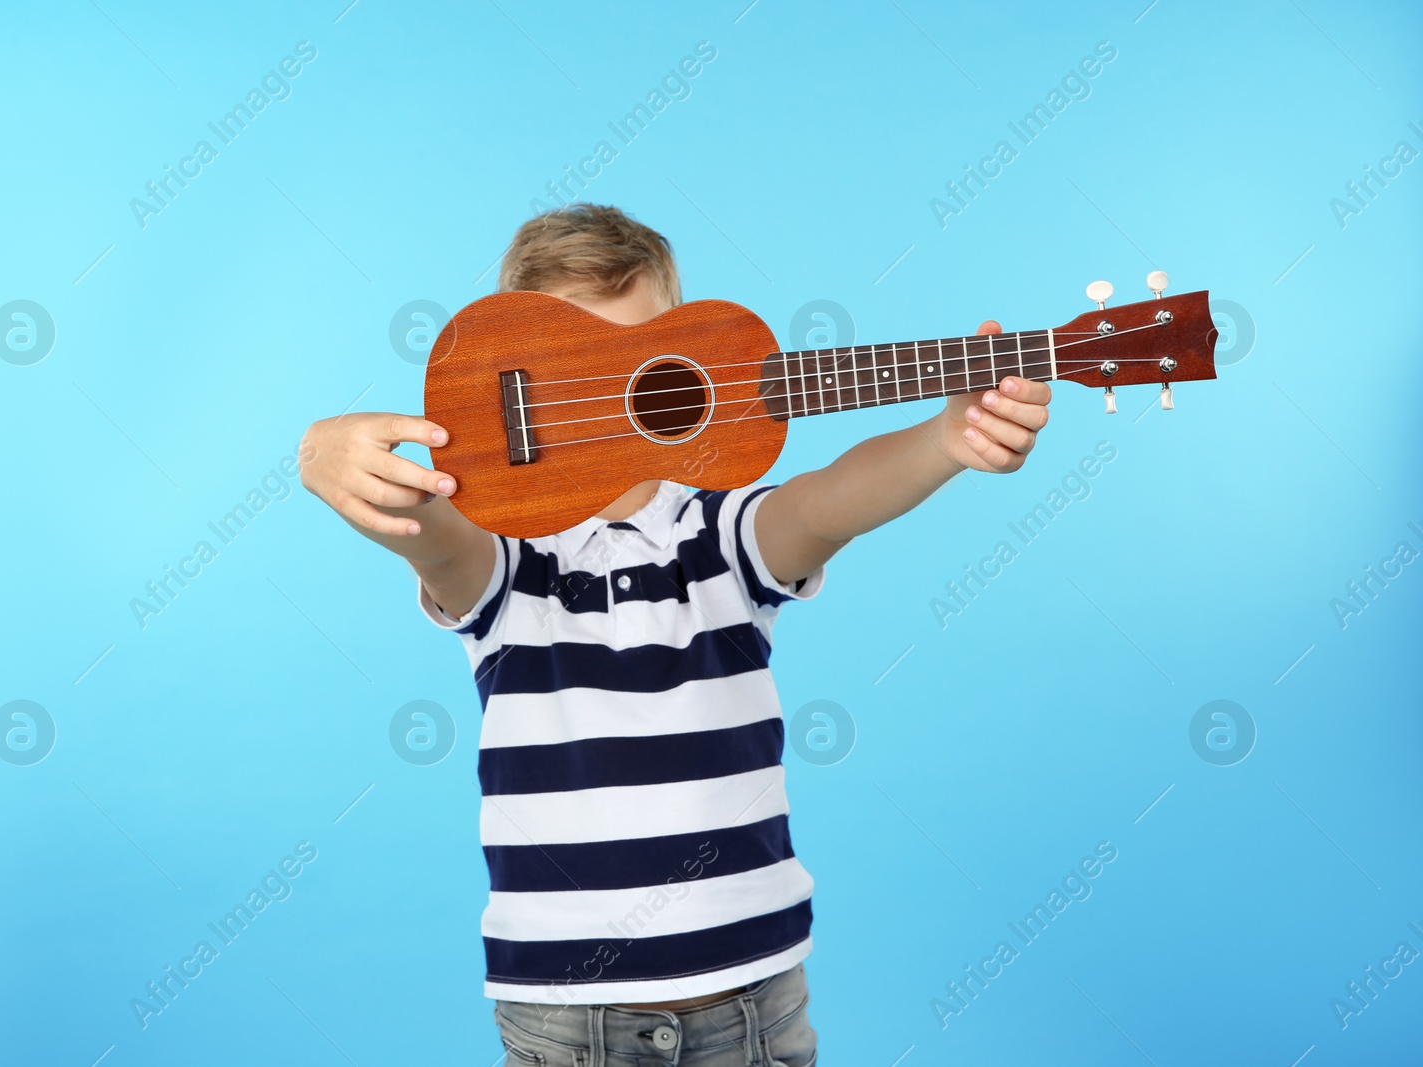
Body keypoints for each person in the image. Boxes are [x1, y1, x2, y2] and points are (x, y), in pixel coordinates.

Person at [298, 204, 1052, 1065]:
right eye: (569, 366)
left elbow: (829, 499)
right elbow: (427, 529)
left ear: (682, 372)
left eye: (633, 368)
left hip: (756, 1003)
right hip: (569, 1022)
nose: (601, 404)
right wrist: (324, 450)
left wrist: (947, 436)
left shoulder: (723, 539)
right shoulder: (504, 567)